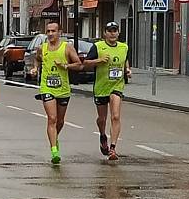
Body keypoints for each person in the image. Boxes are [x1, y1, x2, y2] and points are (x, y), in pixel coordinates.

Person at [32, 21, 81, 165]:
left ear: (60, 32)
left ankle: (54, 138)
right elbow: (37, 59)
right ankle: (54, 150)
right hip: (47, 87)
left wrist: (65, 65)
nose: (50, 34)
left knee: (60, 121)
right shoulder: (42, 48)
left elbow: (79, 64)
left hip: (63, 89)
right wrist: (35, 69)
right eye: (48, 31)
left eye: (53, 31)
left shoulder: (67, 48)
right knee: (52, 118)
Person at [83, 21, 131, 161]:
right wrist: (99, 61)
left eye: (115, 30)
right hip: (101, 87)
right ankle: (102, 134)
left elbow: (125, 61)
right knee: (102, 118)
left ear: (118, 32)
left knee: (115, 116)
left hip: (117, 86)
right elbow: (85, 63)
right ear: (105, 33)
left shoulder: (124, 47)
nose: (112, 33)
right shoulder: (98, 47)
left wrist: (127, 70)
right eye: (110, 31)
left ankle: (113, 148)